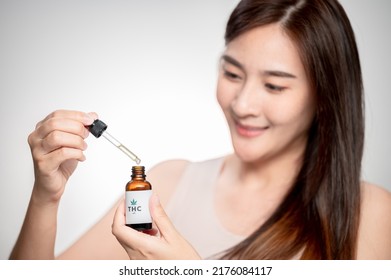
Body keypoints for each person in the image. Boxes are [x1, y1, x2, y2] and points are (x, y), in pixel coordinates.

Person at [9, 0, 391, 260]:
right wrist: (46, 198)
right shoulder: (169, 181)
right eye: (231, 73)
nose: (242, 104)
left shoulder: (371, 214)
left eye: (274, 86)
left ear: (325, 95)